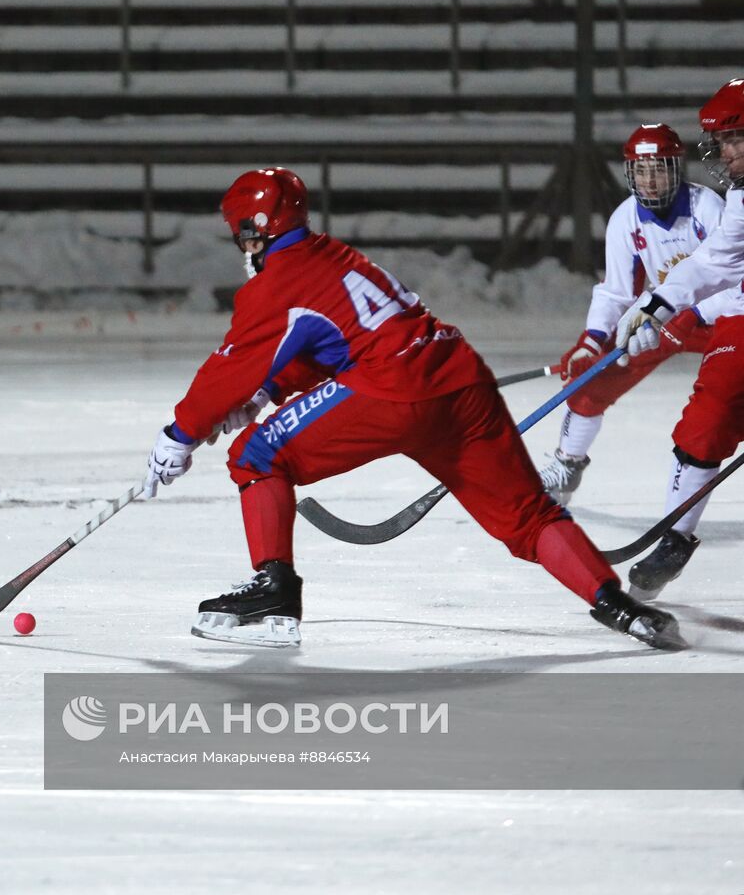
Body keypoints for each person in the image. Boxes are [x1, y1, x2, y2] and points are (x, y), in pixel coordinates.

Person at [142, 167, 683, 651]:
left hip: (393, 390)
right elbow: (330, 341)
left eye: (245, 232)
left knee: (255, 456)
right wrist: (264, 394)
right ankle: (620, 606)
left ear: (258, 226)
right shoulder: (334, 256)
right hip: (461, 380)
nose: (245, 245)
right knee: (528, 516)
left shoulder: (277, 282)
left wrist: (179, 435)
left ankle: (274, 591)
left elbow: (228, 369)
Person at [538, 124, 724, 504]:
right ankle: (568, 464)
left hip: (717, 315)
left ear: (677, 169)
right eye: (641, 171)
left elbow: (730, 277)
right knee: (593, 377)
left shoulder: (708, 208)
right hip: (661, 318)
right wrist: (591, 342)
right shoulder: (626, 219)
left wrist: (698, 312)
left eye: (658, 169)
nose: (650, 181)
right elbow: (617, 291)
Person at [615, 77, 744, 598]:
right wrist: (656, 302)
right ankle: (676, 536)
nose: (727, 153)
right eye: (724, 140)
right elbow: (719, 260)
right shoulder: (740, 194)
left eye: (736, 137)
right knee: (710, 412)